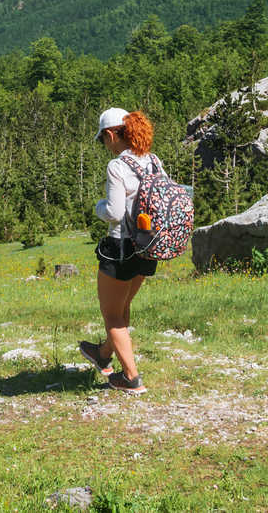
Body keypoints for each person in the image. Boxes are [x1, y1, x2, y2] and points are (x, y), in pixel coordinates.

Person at [79, 107, 159, 394]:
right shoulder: (153, 161)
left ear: (112, 134)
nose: (105, 145)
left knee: (112, 314)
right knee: (123, 308)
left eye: (103, 139)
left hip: (121, 246)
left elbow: (113, 212)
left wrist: (97, 207)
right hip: (147, 245)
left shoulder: (117, 166)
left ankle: (131, 378)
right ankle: (102, 354)